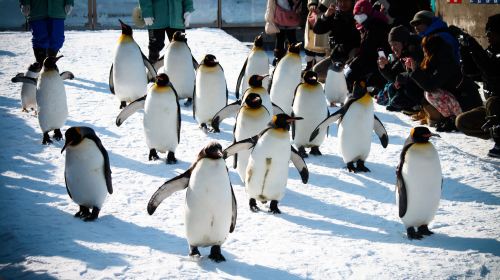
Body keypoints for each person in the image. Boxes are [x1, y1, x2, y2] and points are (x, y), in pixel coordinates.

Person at [454, 14, 500, 157]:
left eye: (491, 33)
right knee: (462, 121)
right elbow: (472, 73)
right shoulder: (490, 51)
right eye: (487, 33)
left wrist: (474, 46)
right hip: (493, 110)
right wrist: (465, 50)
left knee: (494, 101)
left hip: (496, 105)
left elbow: (492, 72)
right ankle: (496, 134)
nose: (487, 36)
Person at [405, 35, 466, 132]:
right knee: (424, 92)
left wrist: (415, 71)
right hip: (453, 99)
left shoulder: (445, 62)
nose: (423, 51)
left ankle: (452, 118)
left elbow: (430, 86)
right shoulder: (433, 61)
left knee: (430, 93)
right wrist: (412, 69)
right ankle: (446, 118)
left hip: (463, 101)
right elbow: (424, 80)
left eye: (424, 48)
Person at [344, 0, 390, 91]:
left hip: (377, 65)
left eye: (360, 14)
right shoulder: (367, 24)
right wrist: (349, 63)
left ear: (368, 13)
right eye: (356, 14)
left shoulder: (376, 26)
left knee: (349, 76)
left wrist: (350, 67)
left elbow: (366, 52)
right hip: (372, 61)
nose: (357, 17)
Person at [377, 25, 423, 112]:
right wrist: (384, 67)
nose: (393, 48)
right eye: (391, 45)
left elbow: (420, 74)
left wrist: (401, 78)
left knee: (402, 94)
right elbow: (393, 77)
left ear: (404, 42)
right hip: (415, 88)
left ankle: (421, 106)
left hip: (425, 90)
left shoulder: (416, 51)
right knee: (393, 90)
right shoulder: (403, 54)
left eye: (395, 44)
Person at [19, 0, 74, 69]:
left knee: (57, 39)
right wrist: (25, 2)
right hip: (37, 9)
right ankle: (40, 65)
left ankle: (50, 65)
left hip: (57, 9)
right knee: (40, 38)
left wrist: (69, 2)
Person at [139, 0, 195, 65]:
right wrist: (147, 12)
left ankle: (183, 71)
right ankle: (152, 73)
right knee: (154, 48)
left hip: (177, 18)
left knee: (181, 47)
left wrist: (188, 9)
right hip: (155, 19)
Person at [312, 0, 360, 64]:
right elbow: (317, 30)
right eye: (340, 1)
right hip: (336, 55)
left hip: (354, 57)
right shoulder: (335, 15)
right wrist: (325, 16)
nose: (343, 4)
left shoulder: (359, 15)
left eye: (346, 1)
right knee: (317, 70)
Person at [265, 0, 303, 66]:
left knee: (281, 39)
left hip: (280, 19)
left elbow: (271, 6)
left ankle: (278, 58)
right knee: (291, 39)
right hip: (291, 19)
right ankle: (294, 58)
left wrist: (269, 19)